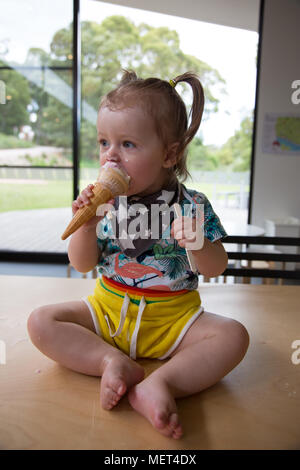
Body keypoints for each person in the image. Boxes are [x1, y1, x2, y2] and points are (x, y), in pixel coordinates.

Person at [27, 70, 249, 440]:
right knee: (40, 322)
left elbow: (217, 267)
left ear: (169, 153)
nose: (110, 155)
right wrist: (85, 226)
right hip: (108, 311)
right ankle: (110, 361)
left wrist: (199, 243)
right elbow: (82, 264)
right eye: (104, 142)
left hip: (175, 320)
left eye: (127, 144)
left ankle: (160, 383)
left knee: (234, 336)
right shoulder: (104, 202)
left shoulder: (192, 204)